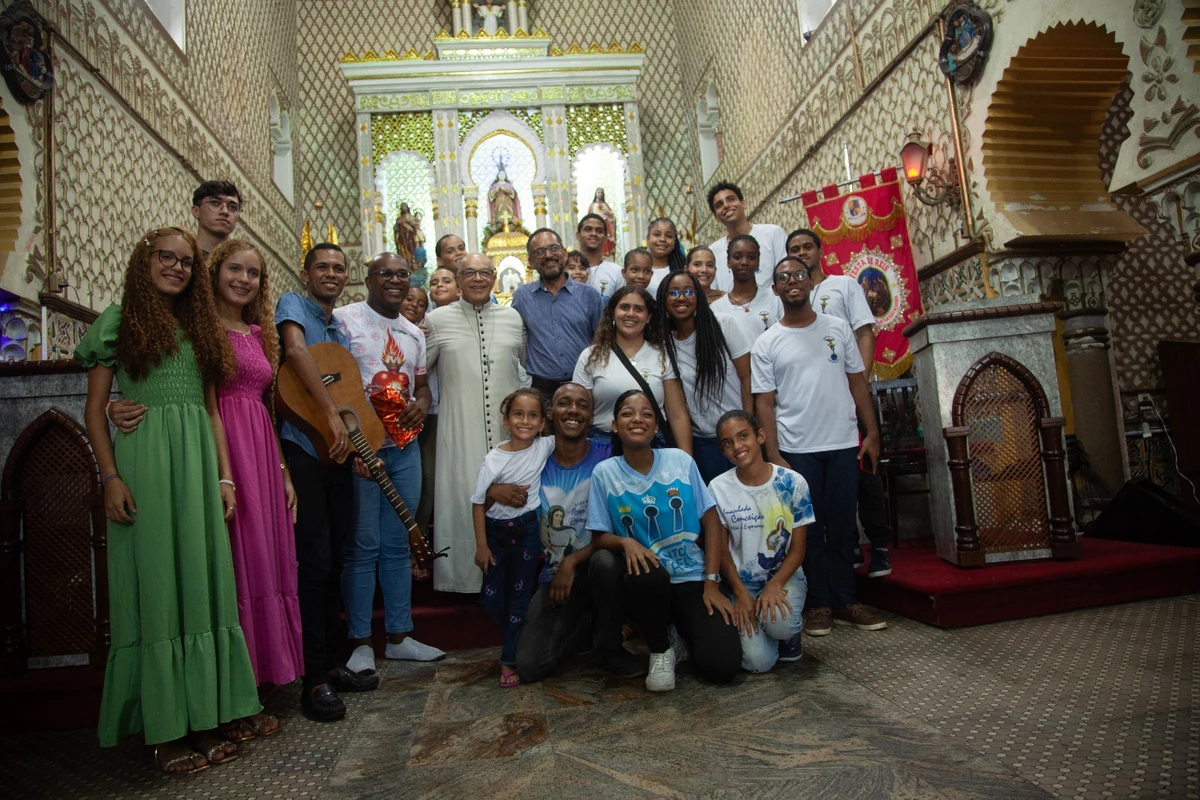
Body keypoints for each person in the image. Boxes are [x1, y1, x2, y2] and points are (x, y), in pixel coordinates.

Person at [76, 227, 259, 773]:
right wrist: (109, 476)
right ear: (144, 261)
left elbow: (209, 411)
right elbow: (95, 408)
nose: (177, 268)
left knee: (201, 586)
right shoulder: (117, 321)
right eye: (166, 258)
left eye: (185, 262)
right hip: (147, 462)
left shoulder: (199, 326)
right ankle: (164, 730)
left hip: (197, 465)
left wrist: (225, 478)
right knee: (156, 586)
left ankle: (205, 716)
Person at [751, 256, 886, 637]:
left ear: (811, 281)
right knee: (809, 529)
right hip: (797, 449)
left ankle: (846, 599)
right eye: (782, 278)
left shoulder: (838, 328)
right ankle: (819, 604)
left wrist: (871, 433)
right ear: (775, 289)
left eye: (798, 275)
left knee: (843, 525)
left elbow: (858, 382)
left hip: (843, 442)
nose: (791, 282)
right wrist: (773, 454)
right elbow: (764, 401)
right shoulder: (767, 342)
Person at [276, 242, 380, 722]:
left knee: (337, 558)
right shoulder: (293, 304)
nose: (332, 274)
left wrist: (357, 443)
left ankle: (333, 663)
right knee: (313, 562)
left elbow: (348, 391)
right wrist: (328, 417)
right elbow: (296, 352)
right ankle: (312, 678)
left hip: (337, 453)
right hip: (303, 448)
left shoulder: (337, 326)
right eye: (323, 267)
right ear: (306, 272)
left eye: (340, 268)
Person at [587, 390, 741, 692]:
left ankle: (677, 636)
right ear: (615, 425)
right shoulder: (604, 473)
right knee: (643, 573)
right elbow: (599, 537)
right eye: (627, 413)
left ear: (656, 426)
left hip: (692, 579)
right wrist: (626, 543)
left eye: (647, 413)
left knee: (722, 667)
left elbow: (711, 520)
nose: (637, 419)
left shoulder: (680, 461)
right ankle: (660, 648)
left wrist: (712, 582)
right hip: (647, 580)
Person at [335, 253, 445, 675]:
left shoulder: (414, 333)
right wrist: (352, 447)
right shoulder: (345, 320)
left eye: (403, 274)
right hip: (363, 447)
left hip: (404, 448)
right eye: (386, 274)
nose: (396, 281)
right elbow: (333, 381)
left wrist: (420, 404)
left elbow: (422, 387)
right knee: (363, 546)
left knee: (400, 541)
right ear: (368, 280)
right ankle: (361, 642)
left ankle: (400, 636)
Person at [208, 239, 297, 739]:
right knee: (236, 562)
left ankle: (263, 679)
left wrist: (283, 469)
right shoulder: (201, 330)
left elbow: (265, 403)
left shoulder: (260, 333)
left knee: (266, 558)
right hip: (225, 448)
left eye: (254, 273)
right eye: (234, 270)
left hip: (262, 449)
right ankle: (234, 689)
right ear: (216, 272)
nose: (244, 280)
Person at [509, 384, 644, 682]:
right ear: (549, 414)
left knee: (605, 562)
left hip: (602, 565)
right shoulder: (533, 461)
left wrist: (572, 561)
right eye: (564, 403)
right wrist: (495, 489)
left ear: (591, 415)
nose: (573, 410)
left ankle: (610, 647)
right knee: (531, 666)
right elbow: (494, 476)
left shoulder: (609, 456)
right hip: (554, 578)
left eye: (582, 405)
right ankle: (590, 623)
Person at [787, 228, 890, 577]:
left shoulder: (843, 286)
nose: (801, 253)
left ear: (819, 250)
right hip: (816, 405)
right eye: (794, 249)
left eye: (806, 247)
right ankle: (844, 550)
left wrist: (855, 380)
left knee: (865, 474)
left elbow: (864, 332)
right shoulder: (792, 293)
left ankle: (879, 545)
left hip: (850, 393)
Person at [425, 253, 527, 593]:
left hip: (507, 432)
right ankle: (463, 581)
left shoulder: (513, 317)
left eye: (485, 272)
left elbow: (524, 368)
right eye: (470, 273)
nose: (478, 279)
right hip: (459, 429)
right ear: (458, 278)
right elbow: (418, 372)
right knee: (462, 491)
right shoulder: (437, 321)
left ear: (495, 277)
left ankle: (512, 578)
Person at [710, 411, 813, 673]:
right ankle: (762, 632)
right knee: (758, 663)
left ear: (760, 436)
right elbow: (721, 551)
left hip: (783, 575)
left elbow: (798, 550)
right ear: (723, 451)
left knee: (779, 622)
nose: (737, 447)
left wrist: (775, 585)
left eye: (743, 436)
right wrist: (741, 593)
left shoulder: (792, 482)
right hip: (741, 583)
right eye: (727, 443)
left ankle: (785, 634)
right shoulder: (718, 488)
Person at [471, 388, 556, 687]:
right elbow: (479, 503)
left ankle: (508, 660)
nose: (525, 421)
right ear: (506, 421)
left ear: (543, 423)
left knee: (521, 595)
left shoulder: (544, 446)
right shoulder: (493, 460)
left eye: (533, 416)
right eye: (518, 414)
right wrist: (481, 546)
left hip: (528, 532)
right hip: (496, 534)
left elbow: (573, 431)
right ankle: (515, 630)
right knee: (491, 599)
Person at [657, 271, 753, 483]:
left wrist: (749, 429)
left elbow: (747, 379)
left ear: (699, 297)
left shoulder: (724, 325)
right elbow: (677, 408)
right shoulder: (664, 345)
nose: (681, 298)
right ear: (663, 301)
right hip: (704, 442)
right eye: (673, 293)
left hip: (739, 435)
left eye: (689, 291)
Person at [572, 285, 692, 453]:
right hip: (603, 445)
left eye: (639, 309)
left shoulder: (662, 355)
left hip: (652, 445)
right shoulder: (590, 356)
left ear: (648, 317)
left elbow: (677, 415)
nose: (631, 314)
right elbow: (579, 411)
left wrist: (686, 461)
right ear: (613, 313)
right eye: (624, 307)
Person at [512, 228, 604, 398]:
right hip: (542, 390)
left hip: (584, 386)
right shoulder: (522, 297)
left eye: (553, 248)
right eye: (539, 252)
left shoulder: (590, 295)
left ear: (564, 253)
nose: (548, 255)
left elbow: (602, 342)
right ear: (531, 262)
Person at [414, 268, 459, 539]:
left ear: (460, 287)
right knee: (430, 477)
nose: (440, 285)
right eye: (435, 282)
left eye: (447, 280)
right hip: (432, 411)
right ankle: (420, 538)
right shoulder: (425, 321)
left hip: (462, 409)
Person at [706, 182, 788, 292]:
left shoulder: (772, 233)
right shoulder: (713, 251)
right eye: (719, 205)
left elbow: (785, 274)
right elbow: (713, 291)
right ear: (716, 216)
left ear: (743, 203)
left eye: (731, 199)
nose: (726, 205)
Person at [709, 234, 782, 346]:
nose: (744, 262)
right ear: (728, 261)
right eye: (737, 257)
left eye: (751, 257)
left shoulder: (775, 299)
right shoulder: (716, 308)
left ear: (758, 262)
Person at [576, 213, 624, 302]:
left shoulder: (617, 272)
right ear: (578, 236)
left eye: (599, 231)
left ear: (606, 238)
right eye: (588, 229)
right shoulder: (566, 270)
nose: (593, 234)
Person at [192, 180, 241, 260]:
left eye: (233, 207)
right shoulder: (182, 257)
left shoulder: (240, 266)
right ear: (196, 211)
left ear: (237, 219)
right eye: (215, 203)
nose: (225, 211)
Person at [645, 217, 687, 296]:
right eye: (657, 234)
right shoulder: (639, 271)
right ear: (647, 239)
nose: (662, 239)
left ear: (674, 242)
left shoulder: (683, 269)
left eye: (669, 236)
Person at [588, 188, 618, 255]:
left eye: (601, 193)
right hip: (596, 226)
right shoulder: (592, 206)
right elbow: (589, 218)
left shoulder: (606, 205)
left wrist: (609, 214)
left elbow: (612, 217)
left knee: (606, 238)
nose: (600, 194)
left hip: (606, 226)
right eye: (599, 193)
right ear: (596, 194)